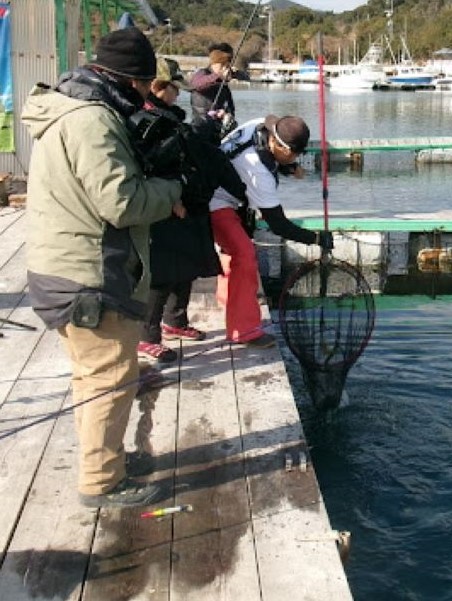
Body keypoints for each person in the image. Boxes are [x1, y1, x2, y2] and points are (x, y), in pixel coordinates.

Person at [21, 28, 184, 507]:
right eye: (142, 85)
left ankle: (104, 458)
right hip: (89, 275)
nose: (143, 94)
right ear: (129, 79)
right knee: (108, 381)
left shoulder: (67, 105)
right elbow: (122, 202)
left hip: (61, 264)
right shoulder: (93, 119)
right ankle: (102, 482)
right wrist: (171, 189)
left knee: (95, 375)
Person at [137, 58, 248, 363]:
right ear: (158, 87)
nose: (177, 95)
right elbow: (144, 165)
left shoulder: (171, 117)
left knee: (186, 264)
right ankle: (146, 336)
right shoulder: (141, 118)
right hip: (163, 205)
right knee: (162, 271)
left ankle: (176, 321)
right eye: (173, 88)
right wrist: (169, 198)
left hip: (188, 202)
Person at [210, 115, 333, 347]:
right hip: (213, 200)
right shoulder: (257, 172)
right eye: (293, 154)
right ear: (276, 143)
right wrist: (315, 238)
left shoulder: (262, 125)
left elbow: (270, 156)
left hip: (227, 189)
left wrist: (288, 166)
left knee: (234, 249)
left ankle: (229, 300)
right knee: (244, 255)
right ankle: (244, 331)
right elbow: (278, 224)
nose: (296, 158)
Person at [190, 42, 237, 127]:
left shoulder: (223, 84)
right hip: (201, 128)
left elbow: (230, 107)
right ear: (214, 63)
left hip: (219, 129)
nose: (224, 68)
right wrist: (219, 75)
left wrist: (227, 114)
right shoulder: (202, 73)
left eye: (227, 66)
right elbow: (196, 85)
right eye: (222, 65)